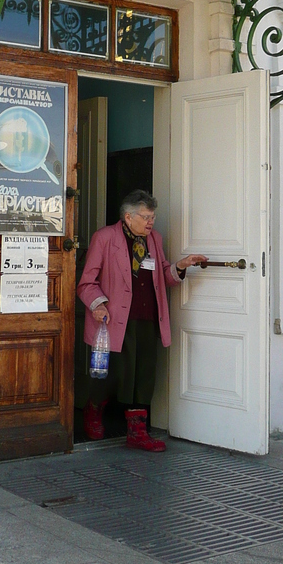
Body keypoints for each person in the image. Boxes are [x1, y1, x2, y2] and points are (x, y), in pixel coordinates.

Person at [77, 189, 207, 451]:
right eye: (146, 217)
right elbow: (86, 283)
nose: (151, 222)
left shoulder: (154, 239)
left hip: (147, 319)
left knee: (143, 375)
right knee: (112, 375)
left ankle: (137, 432)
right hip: (114, 321)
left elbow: (163, 277)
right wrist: (98, 304)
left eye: (153, 217)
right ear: (128, 216)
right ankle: (93, 412)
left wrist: (181, 266)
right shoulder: (105, 238)